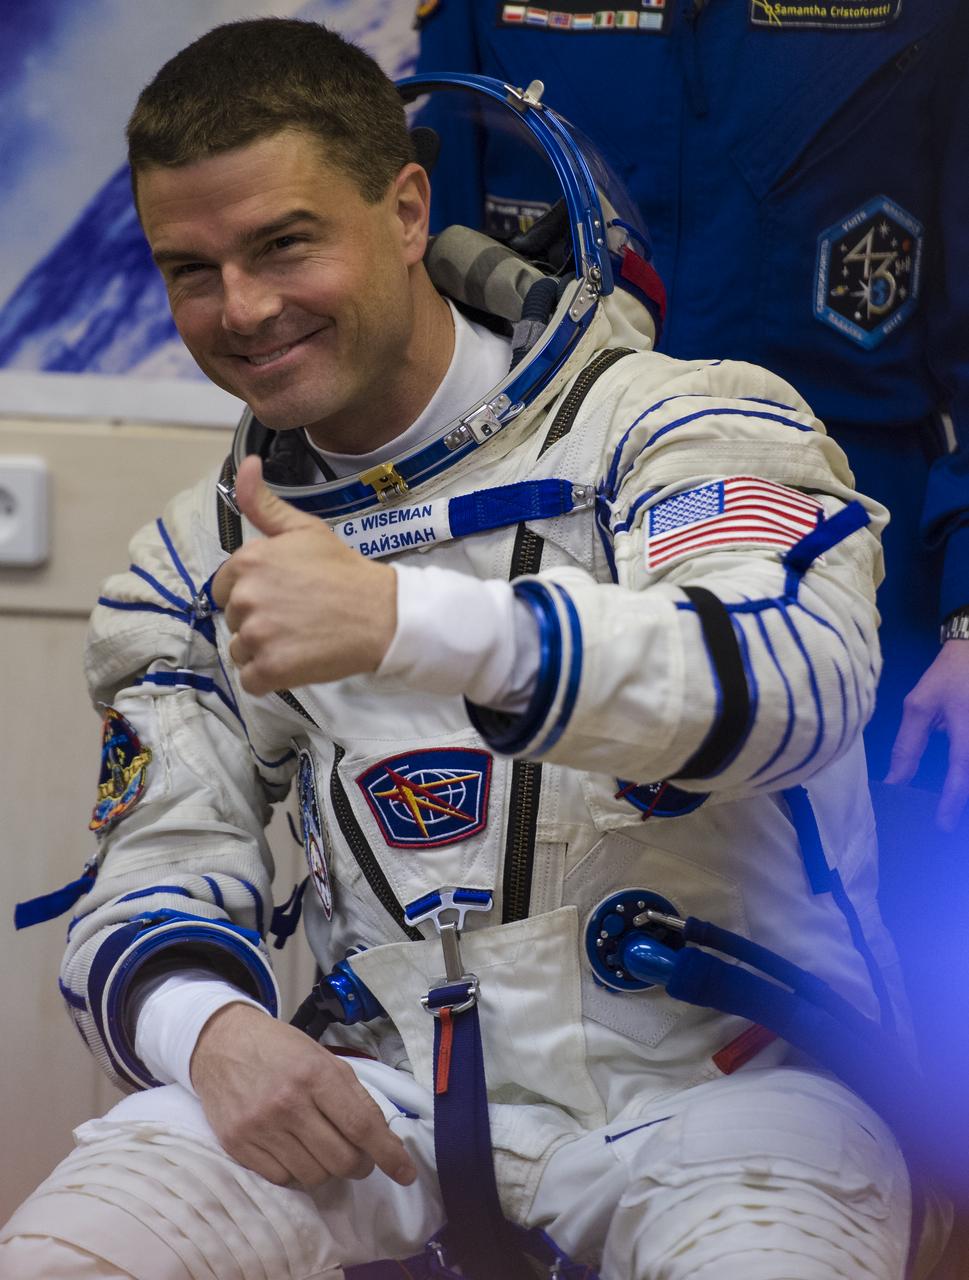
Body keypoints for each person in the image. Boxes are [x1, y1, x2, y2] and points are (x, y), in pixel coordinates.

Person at [0, 17, 941, 1280]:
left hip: (727, 1090)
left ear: (405, 209)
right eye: (191, 267)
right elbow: (158, 863)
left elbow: (792, 682)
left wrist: (409, 624)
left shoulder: (675, 422)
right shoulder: (200, 554)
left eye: (285, 244)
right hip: (390, 1093)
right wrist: (208, 1027)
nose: (243, 307)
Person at [415, 0, 969, 831]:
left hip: (860, 550)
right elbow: (430, 308)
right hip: (546, 537)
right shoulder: (481, 11)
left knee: (870, 921)